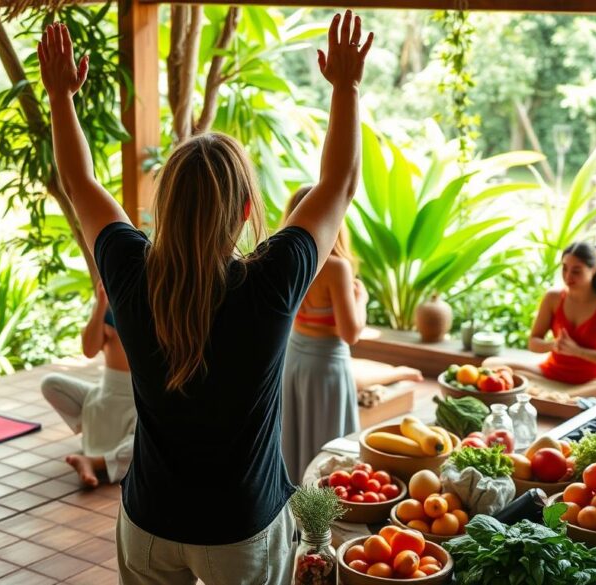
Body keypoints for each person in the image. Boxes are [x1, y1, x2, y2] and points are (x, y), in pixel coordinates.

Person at [38, 10, 372, 583]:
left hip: (148, 521)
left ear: (164, 201)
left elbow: (78, 182)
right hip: (240, 528)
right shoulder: (273, 279)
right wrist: (346, 88)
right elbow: (338, 184)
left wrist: (61, 97)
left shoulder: (130, 268)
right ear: (246, 210)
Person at [280, 185, 367, 483]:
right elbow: (351, 332)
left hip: (293, 360)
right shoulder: (336, 268)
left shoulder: (282, 258)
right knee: (331, 452)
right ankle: (324, 518)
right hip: (327, 366)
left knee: (294, 441)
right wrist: (361, 300)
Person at [484, 242, 596, 398]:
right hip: (552, 373)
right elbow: (534, 343)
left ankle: (560, 396)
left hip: (593, 381)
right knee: (490, 364)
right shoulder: (553, 298)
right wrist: (553, 345)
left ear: (593, 269)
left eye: (576, 271)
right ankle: (561, 399)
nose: (568, 276)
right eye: (564, 268)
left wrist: (578, 351)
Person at [40, 282, 136, 488]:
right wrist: (100, 306)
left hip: (137, 402)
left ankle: (94, 461)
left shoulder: (162, 305)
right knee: (50, 384)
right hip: (104, 394)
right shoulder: (112, 307)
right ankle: (98, 433)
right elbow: (89, 350)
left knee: (146, 445)